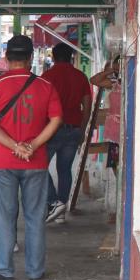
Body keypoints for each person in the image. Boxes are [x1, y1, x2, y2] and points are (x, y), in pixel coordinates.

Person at [0, 35, 63, 280]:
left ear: (6, 58)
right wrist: (33, 145)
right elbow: (56, 120)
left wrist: (14, 146)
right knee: (35, 217)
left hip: (3, 162)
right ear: (30, 58)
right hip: (36, 162)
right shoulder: (45, 86)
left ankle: (4, 269)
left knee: (5, 217)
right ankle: (35, 270)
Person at [41, 43, 92, 224]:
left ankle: (54, 202)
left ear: (53, 57)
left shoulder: (47, 77)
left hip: (50, 130)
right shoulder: (81, 77)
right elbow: (87, 108)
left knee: (39, 167)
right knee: (64, 170)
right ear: (71, 57)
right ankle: (60, 210)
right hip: (73, 129)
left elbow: (40, 107)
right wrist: (83, 130)